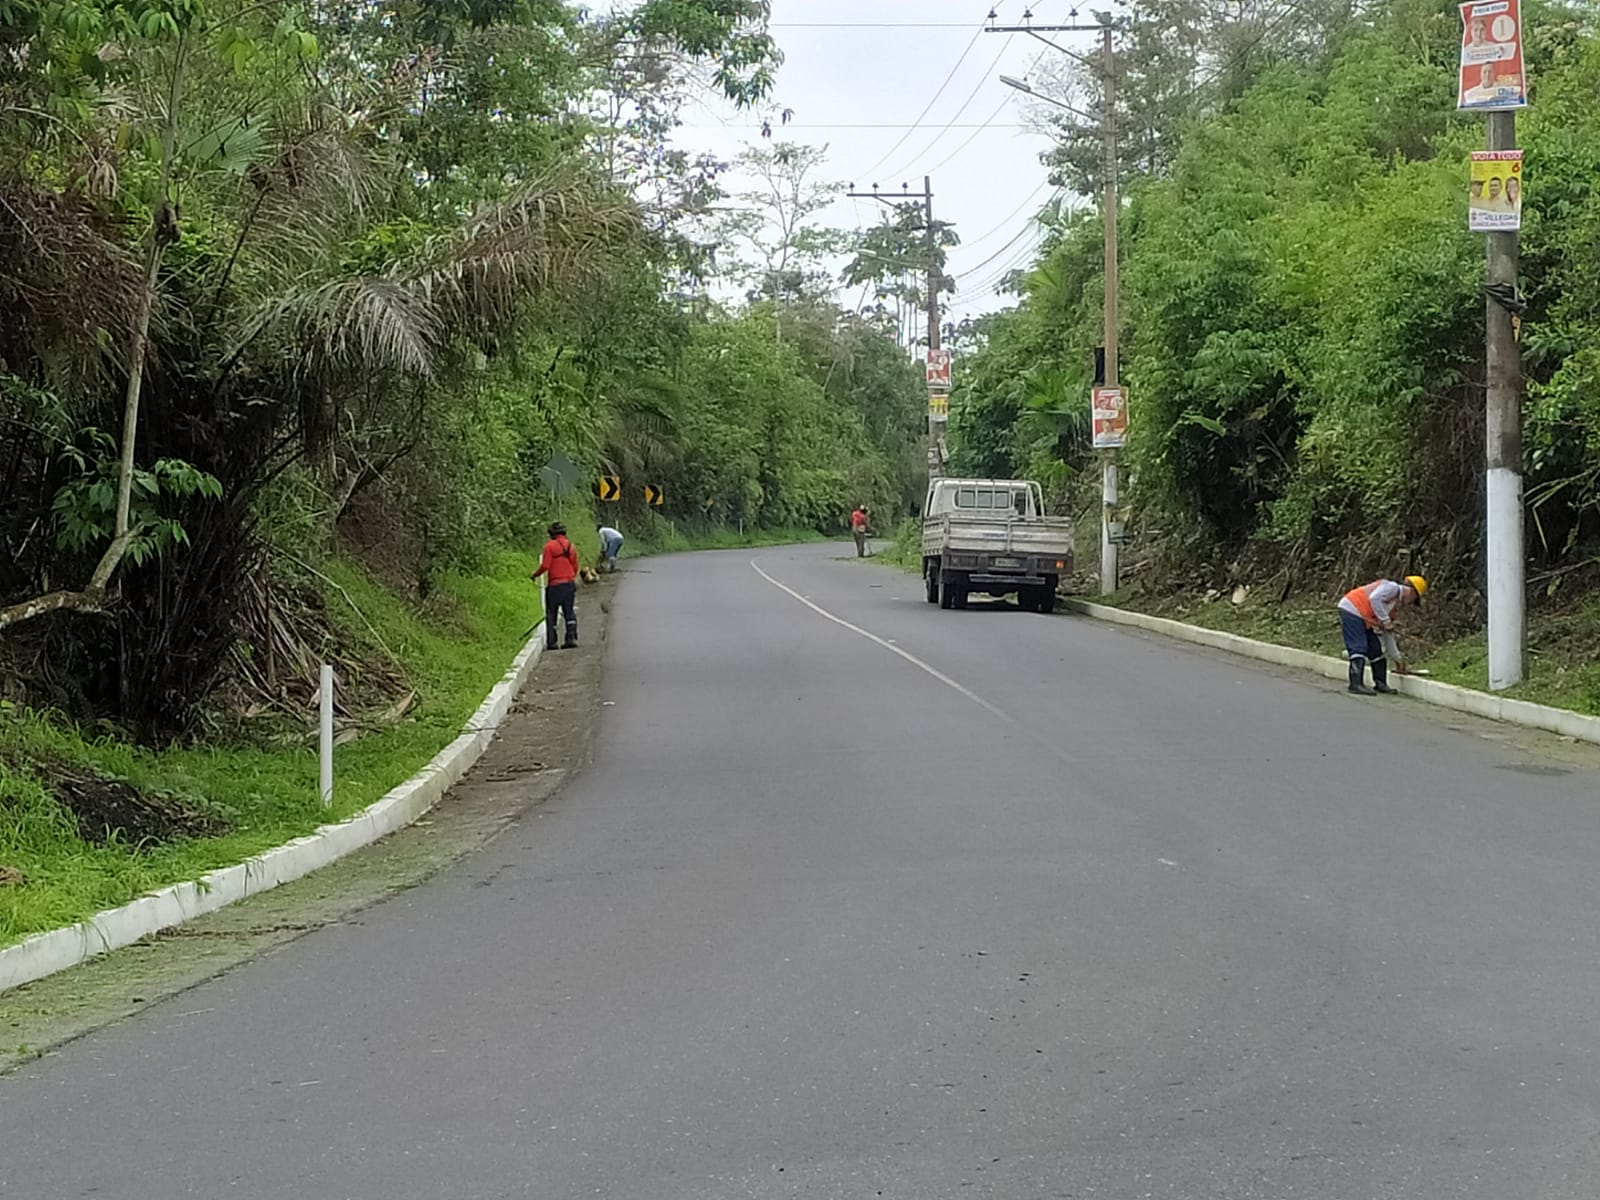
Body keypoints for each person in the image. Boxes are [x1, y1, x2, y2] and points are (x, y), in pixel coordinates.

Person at [1338, 575, 1427, 695]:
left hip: (1364, 618)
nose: (1411, 603)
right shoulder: (1392, 588)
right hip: (1353, 610)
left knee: (1375, 650)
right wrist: (1385, 621)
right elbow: (1374, 599)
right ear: (1411, 591)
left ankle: (1381, 684)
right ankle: (1355, 684)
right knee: (1358, 647)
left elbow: (1388, 634)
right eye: (1414, 599)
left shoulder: (1393, 607)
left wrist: (1398, 659)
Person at [531, 521, 580, 649]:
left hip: (555, 585)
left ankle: (552, 642)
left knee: (551, 613)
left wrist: (535, 574)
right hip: (568, 584)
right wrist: (570, 577)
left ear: (551, 533)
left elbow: (545, 565)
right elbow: (575, 566)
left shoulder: (549, 547)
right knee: (569, 611)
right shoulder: (571, 546)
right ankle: (571, 638)